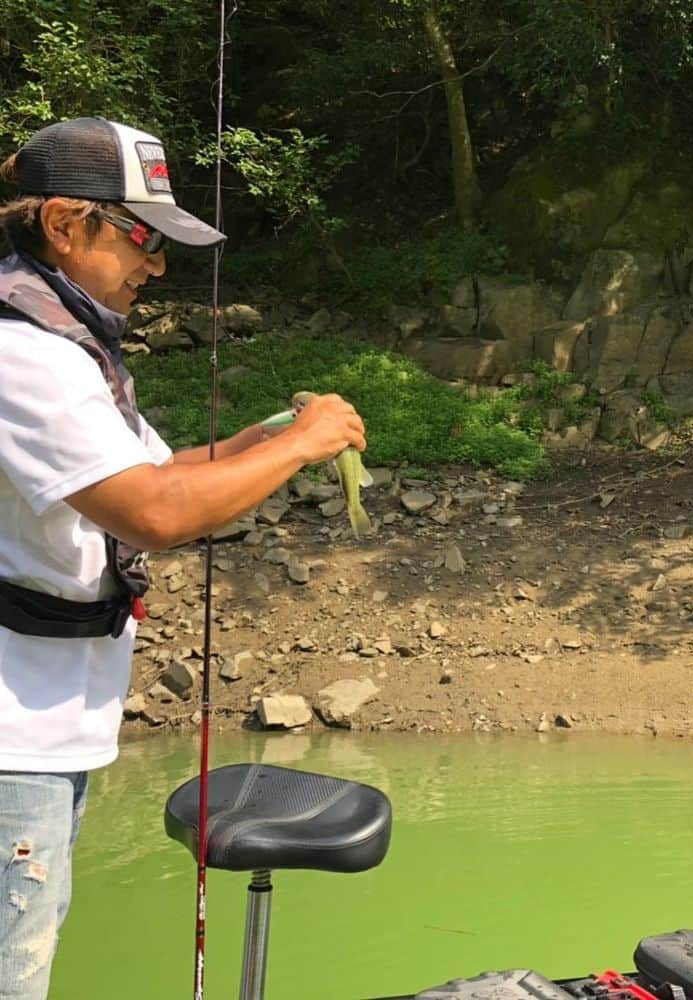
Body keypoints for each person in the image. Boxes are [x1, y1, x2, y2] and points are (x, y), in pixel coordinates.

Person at [0, 117, 366, 998]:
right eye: (139, 237)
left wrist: (269, 435)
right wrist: (302, 447)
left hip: (44, 731)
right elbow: (156, 513)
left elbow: (155, 473)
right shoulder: (22, 353)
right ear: (62, 225)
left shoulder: (62, 340)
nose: (154, 265)